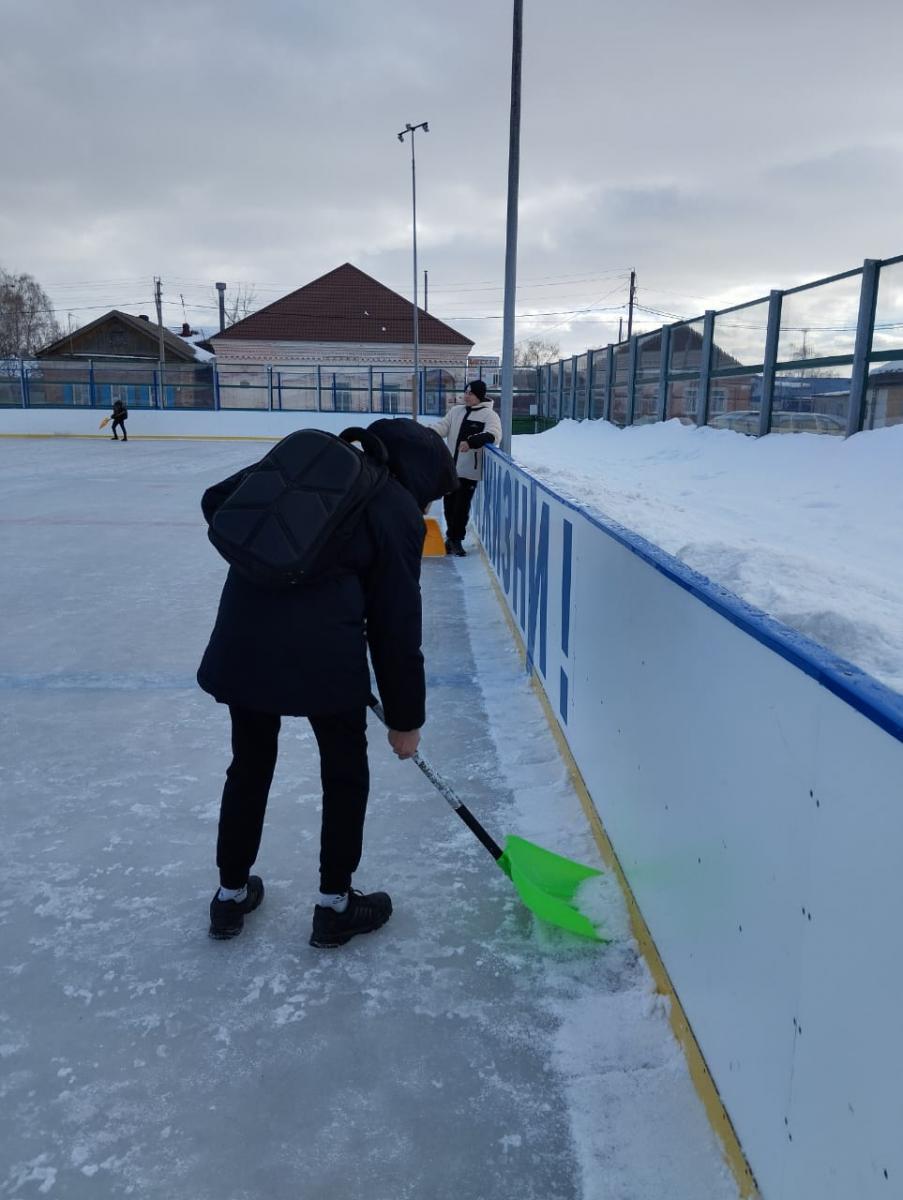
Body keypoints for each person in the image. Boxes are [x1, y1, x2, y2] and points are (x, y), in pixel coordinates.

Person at [197, 419, 457, 948]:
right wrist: (406, 720)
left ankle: (228, 898)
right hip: (327, 661)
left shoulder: (312, 463)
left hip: (245, 643)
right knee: (344, 774)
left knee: (249, 764)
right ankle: (335, 906)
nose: (426, 507)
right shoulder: (394, 510)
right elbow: (395, 628)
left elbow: (218, 501)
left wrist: (282, 560)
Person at [431, 380, 502, 556]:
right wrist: (427, 432)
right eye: (466, 392)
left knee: (461, 507)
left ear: (479, 395)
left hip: (469, 471)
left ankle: (457, 540)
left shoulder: (489, 415)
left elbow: (493, 435)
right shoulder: (456, 411)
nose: (466, 396)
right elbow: (442, 427)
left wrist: (471, 442)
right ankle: (450, 537)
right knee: (449, 505)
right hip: (450, 469)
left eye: (470, 393)